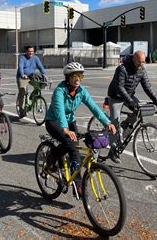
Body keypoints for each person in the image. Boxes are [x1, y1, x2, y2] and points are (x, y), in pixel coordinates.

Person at [45, 62, 116, 196]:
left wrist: (107, 122)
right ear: (68, 77)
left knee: (75, 149)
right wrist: (65, 129)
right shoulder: (60, 91)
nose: (78, 79)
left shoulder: (82, 91)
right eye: (75, 76)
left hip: (70, 121)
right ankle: (51, 157)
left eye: (80, 76)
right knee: (70, 142)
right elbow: (60, 111)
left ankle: (77, 184)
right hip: (54, 121)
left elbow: (94, 108)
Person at [106, 50, 157, 163]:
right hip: (116, 96)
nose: (141, 64)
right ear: (133, 59)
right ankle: (113, 150)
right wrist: (131, 102)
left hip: (129, 95)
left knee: (138, 113)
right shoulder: (122, 69)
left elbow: (148, 87)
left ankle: (124, 129)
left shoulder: (141, 70)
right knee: (114, 123)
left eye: (143, 62)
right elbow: (120, 88)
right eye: (139, 62)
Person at [16, 45, 46, 117]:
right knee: (22, 91)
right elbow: (20, 67)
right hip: (22, 77)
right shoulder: (23, 58)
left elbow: (40, 66)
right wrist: (23, 74)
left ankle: (33, 99)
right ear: (26, 52)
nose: (30, 53)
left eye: (32, 51)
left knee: (38, 87)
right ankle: (21, 109)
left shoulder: (35, 58)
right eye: (29, 51)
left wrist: (44, 74)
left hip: (31, 76)